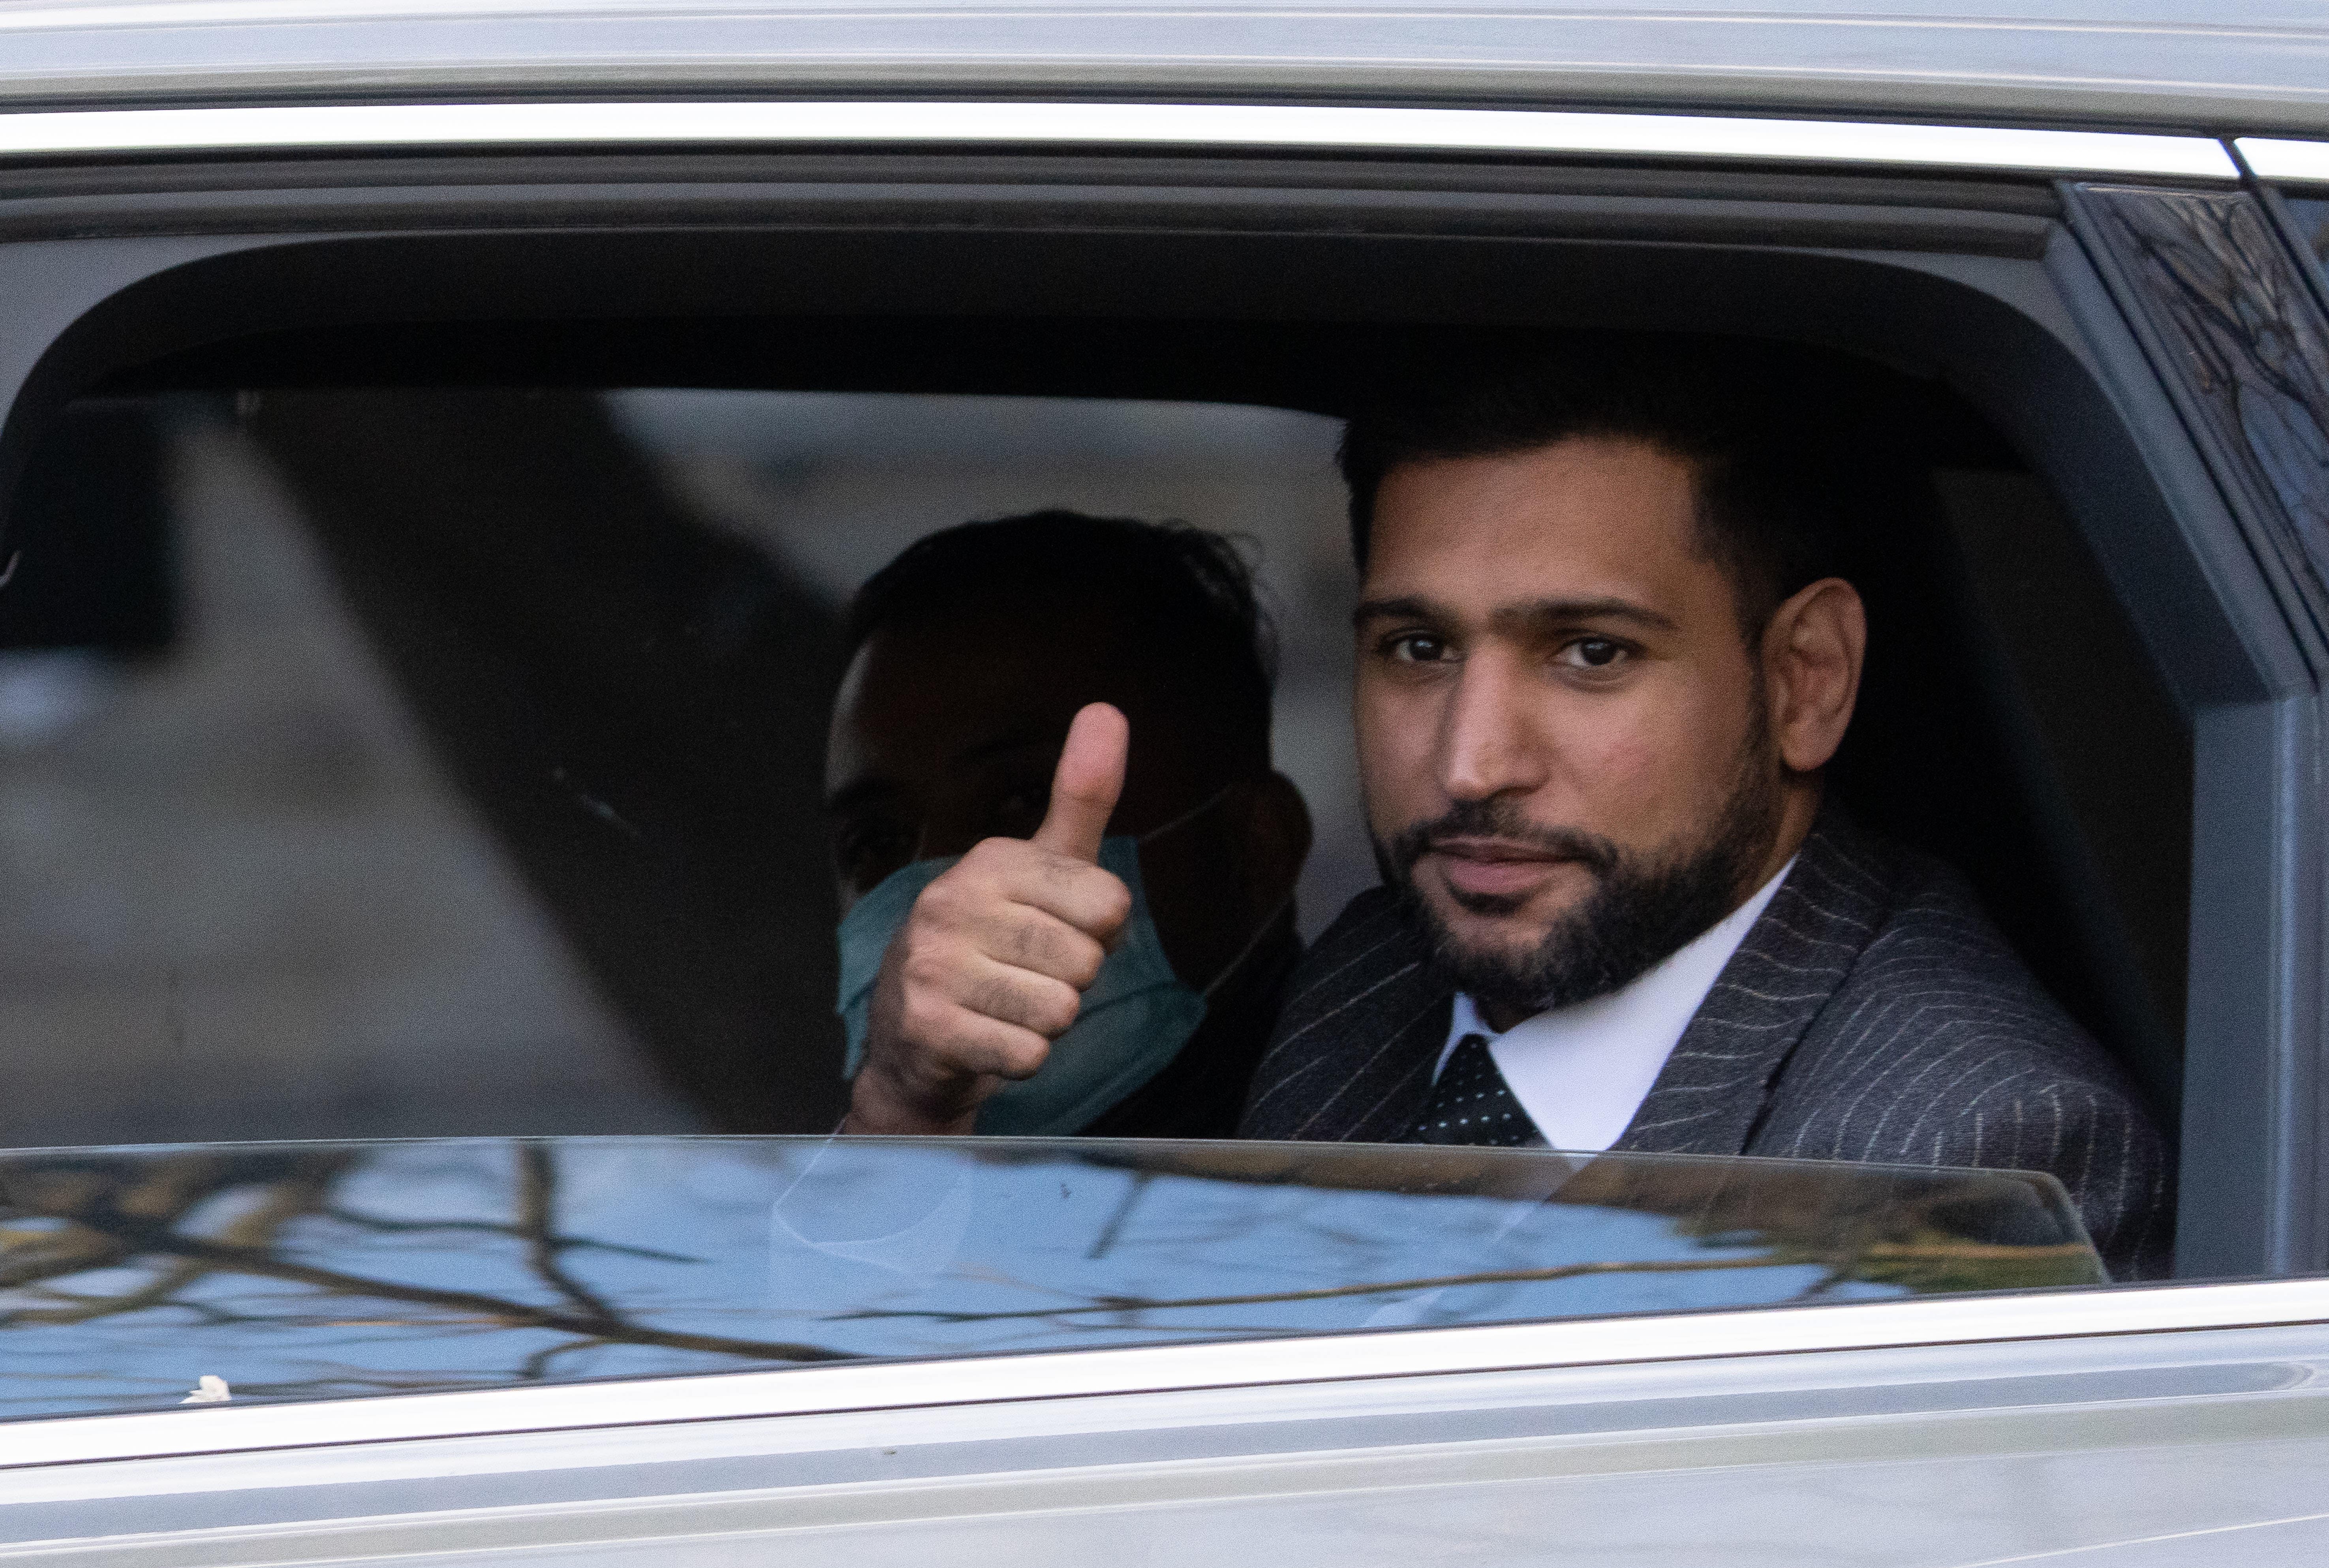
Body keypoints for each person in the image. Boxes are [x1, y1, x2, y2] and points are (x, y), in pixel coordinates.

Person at [849, 349, 2168, 1278]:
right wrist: (910, 1118)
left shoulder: (1969, 1157)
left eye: (1590, 654)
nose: (1472, 764)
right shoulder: (1385, 982)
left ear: (1802, 681)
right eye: (1418, 651)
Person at [831, 510, 1311, 1138]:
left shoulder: (1392, 1146)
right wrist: (901, 1113)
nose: (943, 893)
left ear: (1256, 847)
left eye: (1025, 799)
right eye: (879, 841)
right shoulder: (788, 1187)